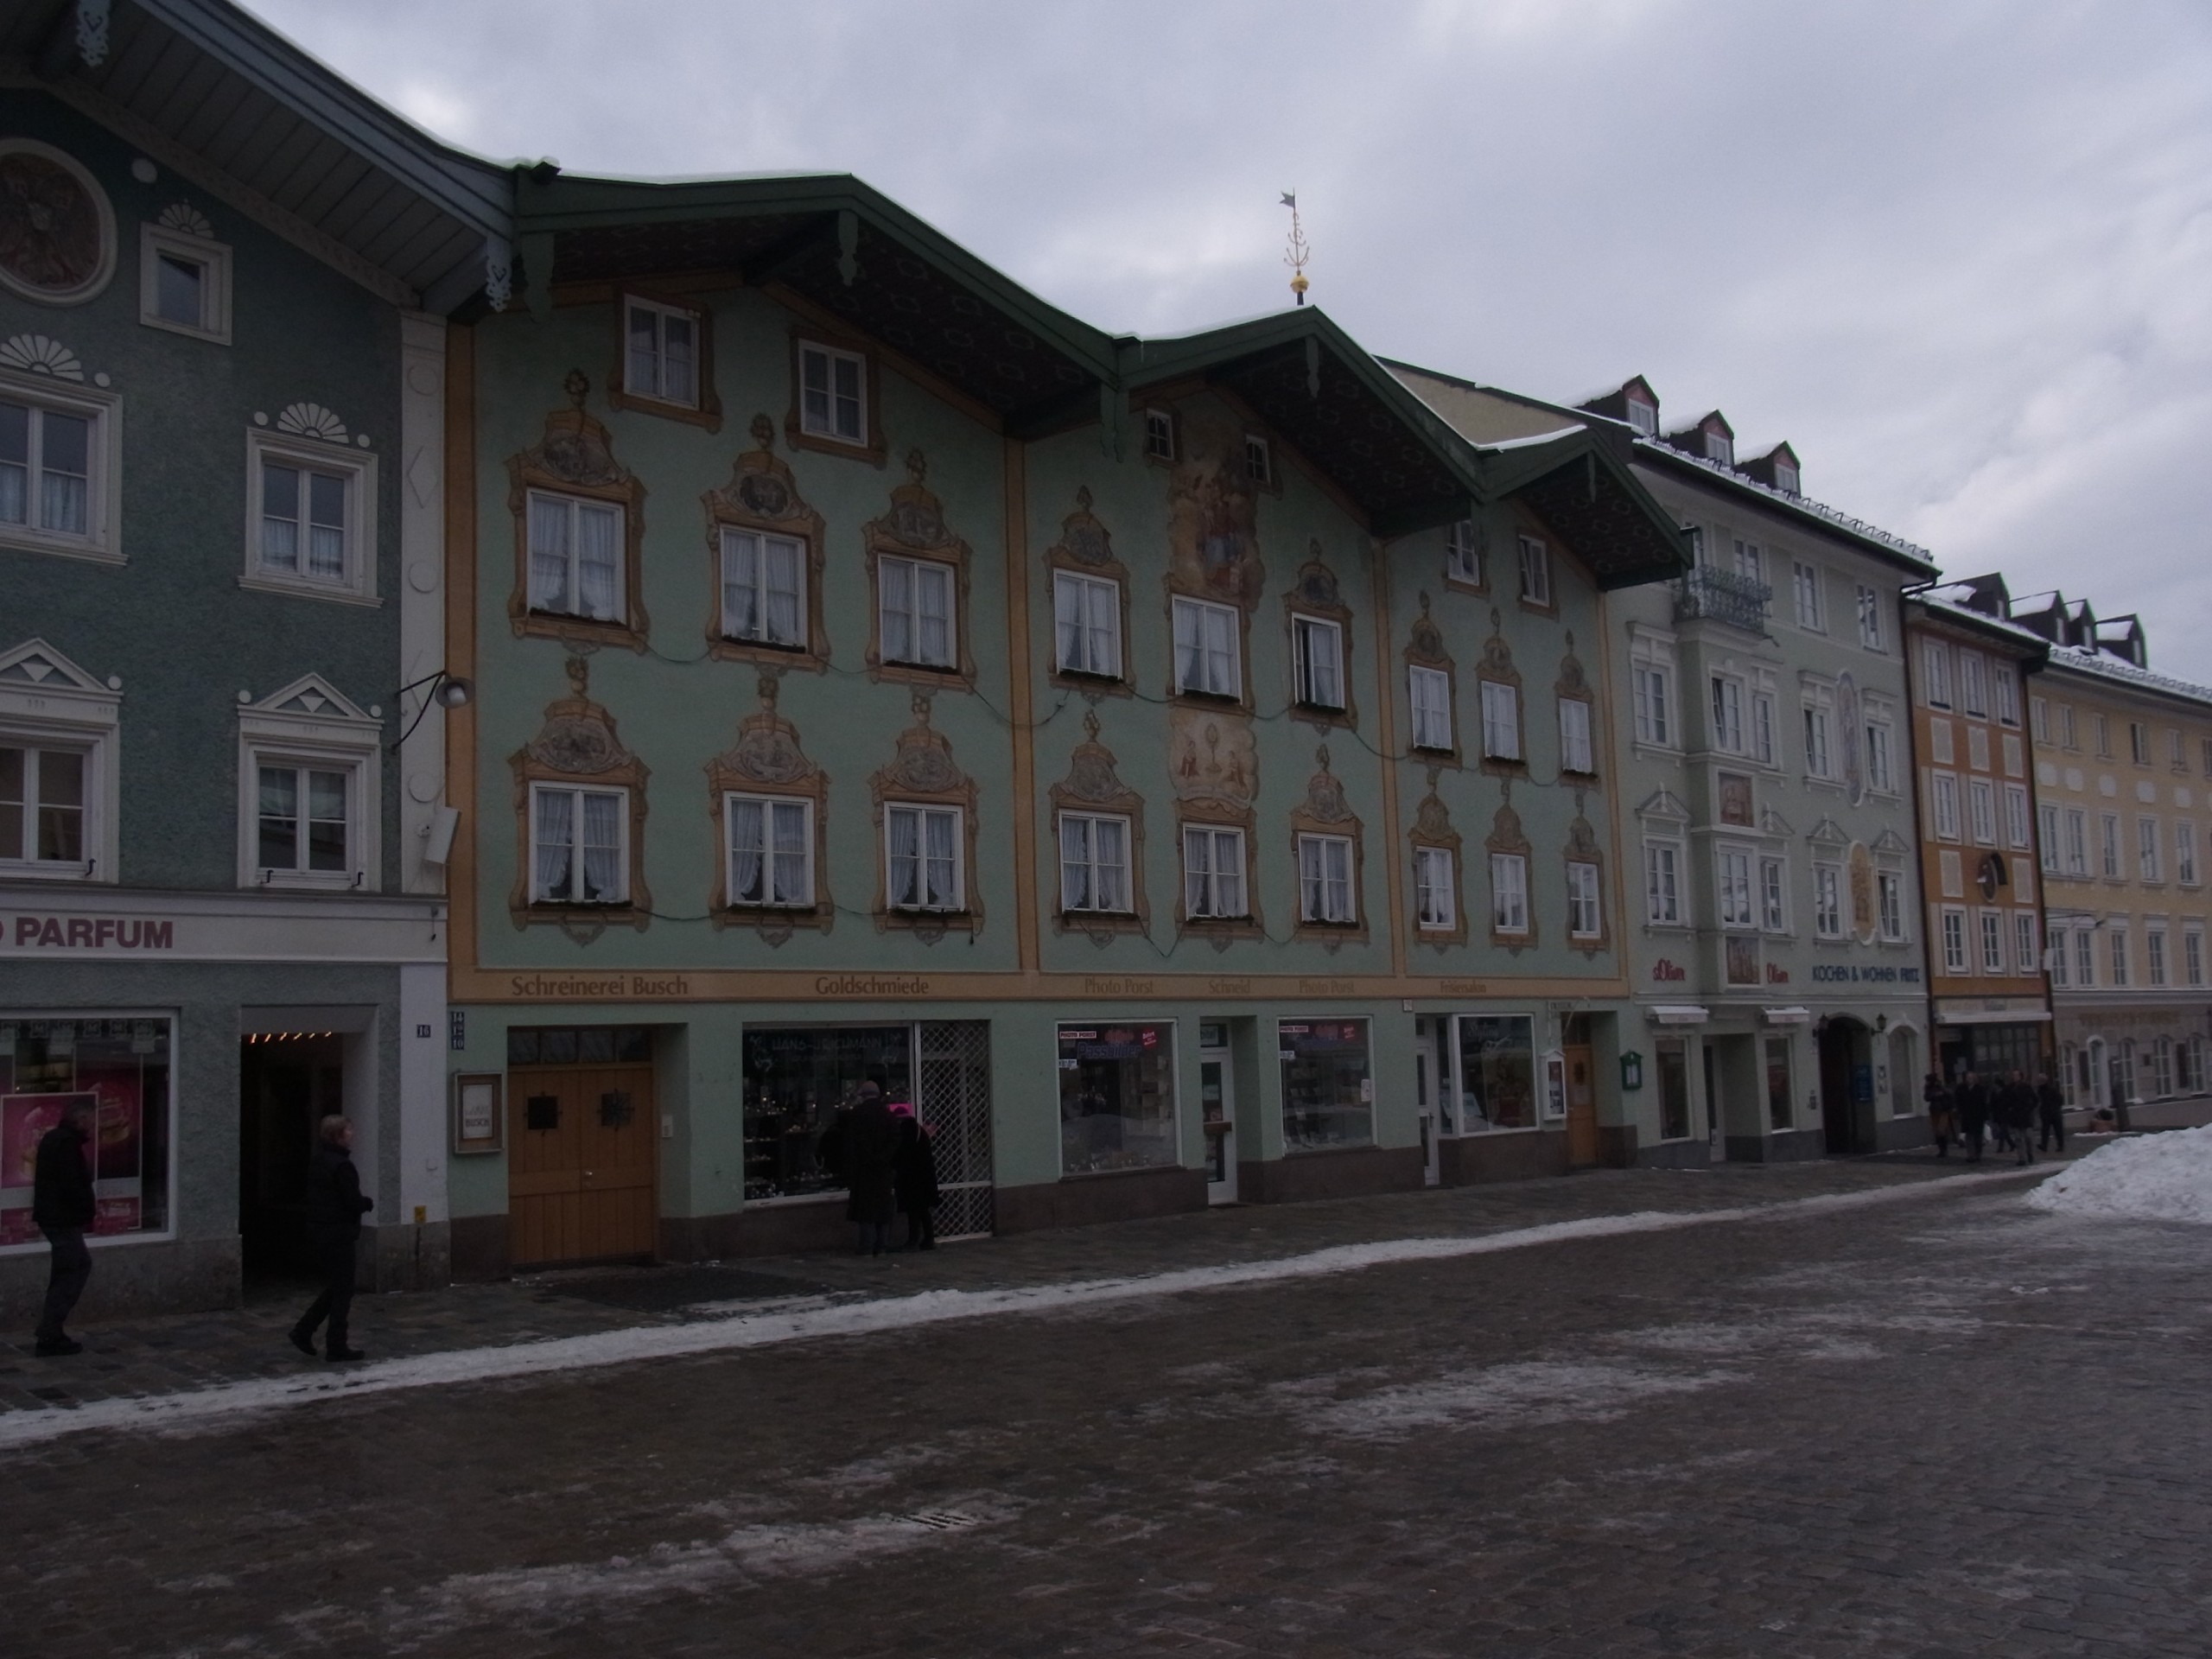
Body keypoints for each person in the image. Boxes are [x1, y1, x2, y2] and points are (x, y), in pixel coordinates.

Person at [289, 1115, 373, 1362]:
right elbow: (351, 1201)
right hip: (338, 1233)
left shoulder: (318, 1160)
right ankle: (335, 1344)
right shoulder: (341, 1165)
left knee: (337, 1286)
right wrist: (366, 1203)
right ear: (338, 1135)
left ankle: (304, 1330)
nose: (352, 1134)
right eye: (348, 1130)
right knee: (343, 1290)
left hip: (321, 1231)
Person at [30, 1097, 97, 1357]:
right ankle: (50, 1333)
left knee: (69, 1268)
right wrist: (84, 1210)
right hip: (62, 1219)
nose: (93, 1125)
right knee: (73, 1269)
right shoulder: (66, 1144)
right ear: (80, 1120)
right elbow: (70, 1184)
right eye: (90, 1119)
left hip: (57, 1217)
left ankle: (51, 1330)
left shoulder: (56, 1140)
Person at [844, 1082, 898, 1257]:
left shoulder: (857, 1114)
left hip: (864, 1170)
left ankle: (866, 1246)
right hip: (883, 1170)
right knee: (883, 1210)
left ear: (863, 1095)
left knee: (866, 1210)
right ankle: (881, 1245)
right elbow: (895, 1142)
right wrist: (884, 1158)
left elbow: (852, 1144)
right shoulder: (888, 1115)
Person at [891, 1103, 939, 1251]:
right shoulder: (919, 1130)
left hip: (911, 1179)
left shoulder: (905, 1132)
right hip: (924, 1178)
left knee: (914, 1211)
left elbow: (902, 1155)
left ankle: (913, 1240)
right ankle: (928, 1239)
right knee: (923, 1210)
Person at [1998, 1071, 2037, 1166]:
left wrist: (2029, 1108)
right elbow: (2003, 1100)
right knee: (2018, 1138)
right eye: (2013, 1075)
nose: (2014, 1077)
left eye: (2016, 1075)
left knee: (2028, 1137)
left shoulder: (2026, 1087)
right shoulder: (2009, 1088)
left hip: (2026, 1116)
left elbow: (2035, 1099)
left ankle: (2030, 1154)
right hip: (2015, 1116)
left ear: (2021, 1077)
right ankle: (2021, 1158)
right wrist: (2008, 1109)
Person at [1955, 1071, 1990, 1163]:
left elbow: (1984, 1103)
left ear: (1974, 1079)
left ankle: (1978, 1154)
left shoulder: (1980, 1089)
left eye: (1971, 1078)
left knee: (1978, 1136)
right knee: (1969, 1136)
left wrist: (1985, 1116)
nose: (1969, 1080)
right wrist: (1959, 1112)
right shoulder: (1962, 1089)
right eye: (1968, 1078)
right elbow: (1958, 1101)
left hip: (1978, 1116)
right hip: (1967, 1116)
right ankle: (1970, 1155)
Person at [1923, 1071, 1956, 1158]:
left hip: (1943, 1110)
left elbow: (1949, 1093)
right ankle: (1941, 1149)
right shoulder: (1928, 1088)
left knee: (1941, 1130)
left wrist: (1940, 1090)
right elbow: (1926, 1097)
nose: (1927, 1082)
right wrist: (1936, 1095)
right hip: (1934, 1111)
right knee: (1937, 1131)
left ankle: (1944, 1149)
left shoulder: (1940, 1086)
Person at [2036, 1071, 2066, 1154]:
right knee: (2047, 1130)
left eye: (2040, 1081)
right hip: (2049, 1112)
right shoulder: (2042, 1090)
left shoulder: (2049, 1089)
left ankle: (2058, 1146)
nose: (2039, 1082)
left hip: (2053, 1112)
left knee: (2056, 1130)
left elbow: (2059, 1099)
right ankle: (2045, 1145)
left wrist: (2055, 1107)